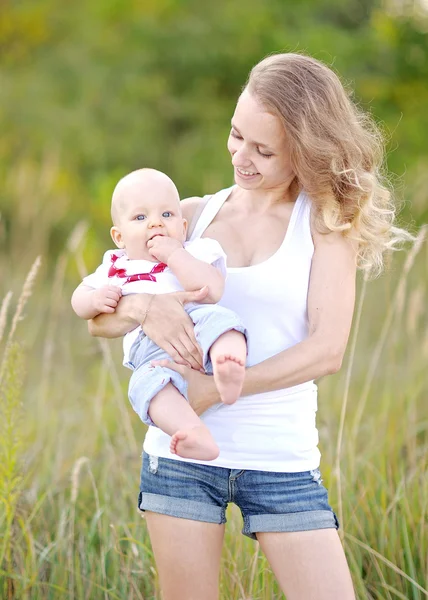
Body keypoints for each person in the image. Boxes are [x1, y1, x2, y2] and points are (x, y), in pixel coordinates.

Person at [87, 53, 411, 600]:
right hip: (179, 458)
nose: (241, 156)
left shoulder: (325, 226)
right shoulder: (188, 216)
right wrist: (147, 309)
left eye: (264, 150)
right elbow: (100, 315)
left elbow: (326, 351)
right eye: (236, 136)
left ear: (306, 151)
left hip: (280, 460)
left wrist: (213, 390)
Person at [71, 168, 247, 461]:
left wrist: (175, 255)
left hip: (199, 321)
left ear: (183, 225)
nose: (156, 223)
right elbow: (78, 300)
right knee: (147, 387)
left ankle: (228, 367)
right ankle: (193, 432)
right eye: (140, 218)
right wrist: (94, 298)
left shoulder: (195, 250)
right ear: (119, 236)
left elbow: (212, 289)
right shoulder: (116, 266)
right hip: (151, 350)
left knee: (226, 325)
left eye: (167, 215)